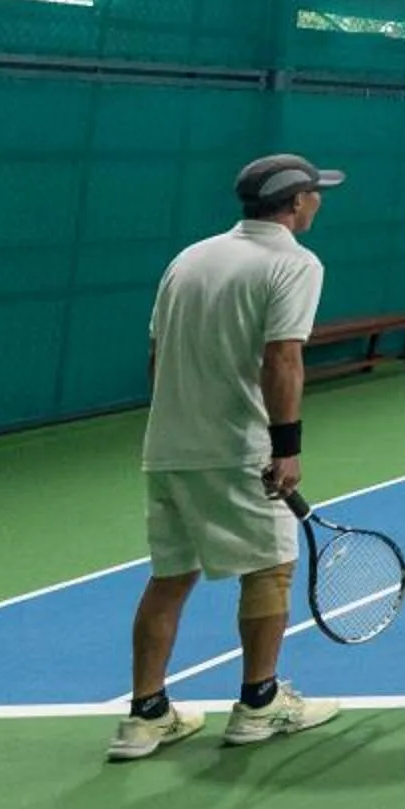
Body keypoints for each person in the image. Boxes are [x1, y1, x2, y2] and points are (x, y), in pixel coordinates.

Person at [109, 154, 346, 760]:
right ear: (295, 203)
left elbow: (157, 357)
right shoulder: (293, 263)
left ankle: (145, 716)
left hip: (166, 447)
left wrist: (178, 423)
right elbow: (282, 358)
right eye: (315, 193)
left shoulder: (190, 258)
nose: (319, 200)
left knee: (169, 576)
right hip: (237, 447)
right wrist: (285, 447)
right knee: (270, 569)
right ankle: (260, 704)